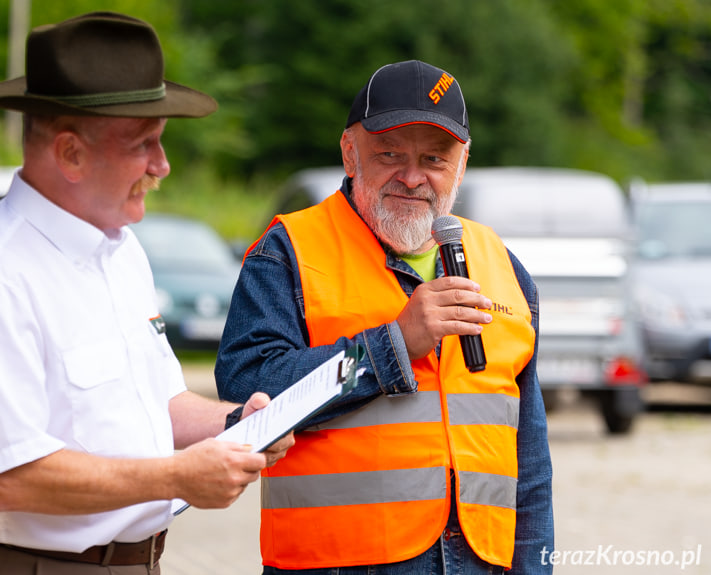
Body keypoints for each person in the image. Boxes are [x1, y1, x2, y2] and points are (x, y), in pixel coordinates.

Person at [0, 12, 292, 574]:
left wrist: (237, 425)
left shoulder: (120, 251)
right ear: (69, 154)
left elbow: (155, 402)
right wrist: (179, 476)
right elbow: (9, 478)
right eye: (144, 144)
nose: (162, 166)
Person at [216, 60, 554, 574]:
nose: (413, 176)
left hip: (484, 563)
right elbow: (247, 389)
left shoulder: (504, 267)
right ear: (350, 154)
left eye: (434, 159)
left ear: (461, 165)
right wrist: (393, 344)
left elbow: (528, 462)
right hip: (336, 564)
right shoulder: (287, 252)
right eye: (390, 153)